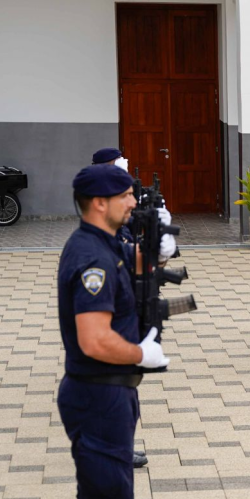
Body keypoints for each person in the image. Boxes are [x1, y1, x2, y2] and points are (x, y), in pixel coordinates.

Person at [58, 164, 165, 499]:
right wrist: (142, 353)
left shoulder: (103, 246)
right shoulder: (90, 257)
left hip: (109, 392)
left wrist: (154, 250)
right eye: (124, 195)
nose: (131, 201)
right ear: (98, 203)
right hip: (98, 394)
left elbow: (132, 270)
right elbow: (95, 338)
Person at [91, 147, 160, 475]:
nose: (130, 200)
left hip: (125, 305)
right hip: (111, 327)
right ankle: (111, 448)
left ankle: (118, 446)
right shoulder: (92, 246)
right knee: (113, 393)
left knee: (126, 395)